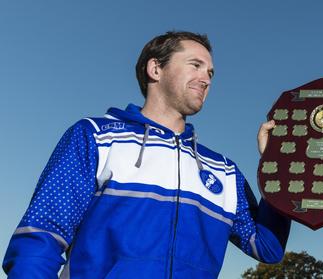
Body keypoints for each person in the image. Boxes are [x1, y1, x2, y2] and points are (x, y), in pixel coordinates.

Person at [3, 31, 290, 278]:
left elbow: (267, 247)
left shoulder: (224, 171)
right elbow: (40, 238)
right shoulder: (97, 137)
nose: (206, 79)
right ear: (155, 69)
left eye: (210, 73)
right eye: (196, 65)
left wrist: (277, 167)